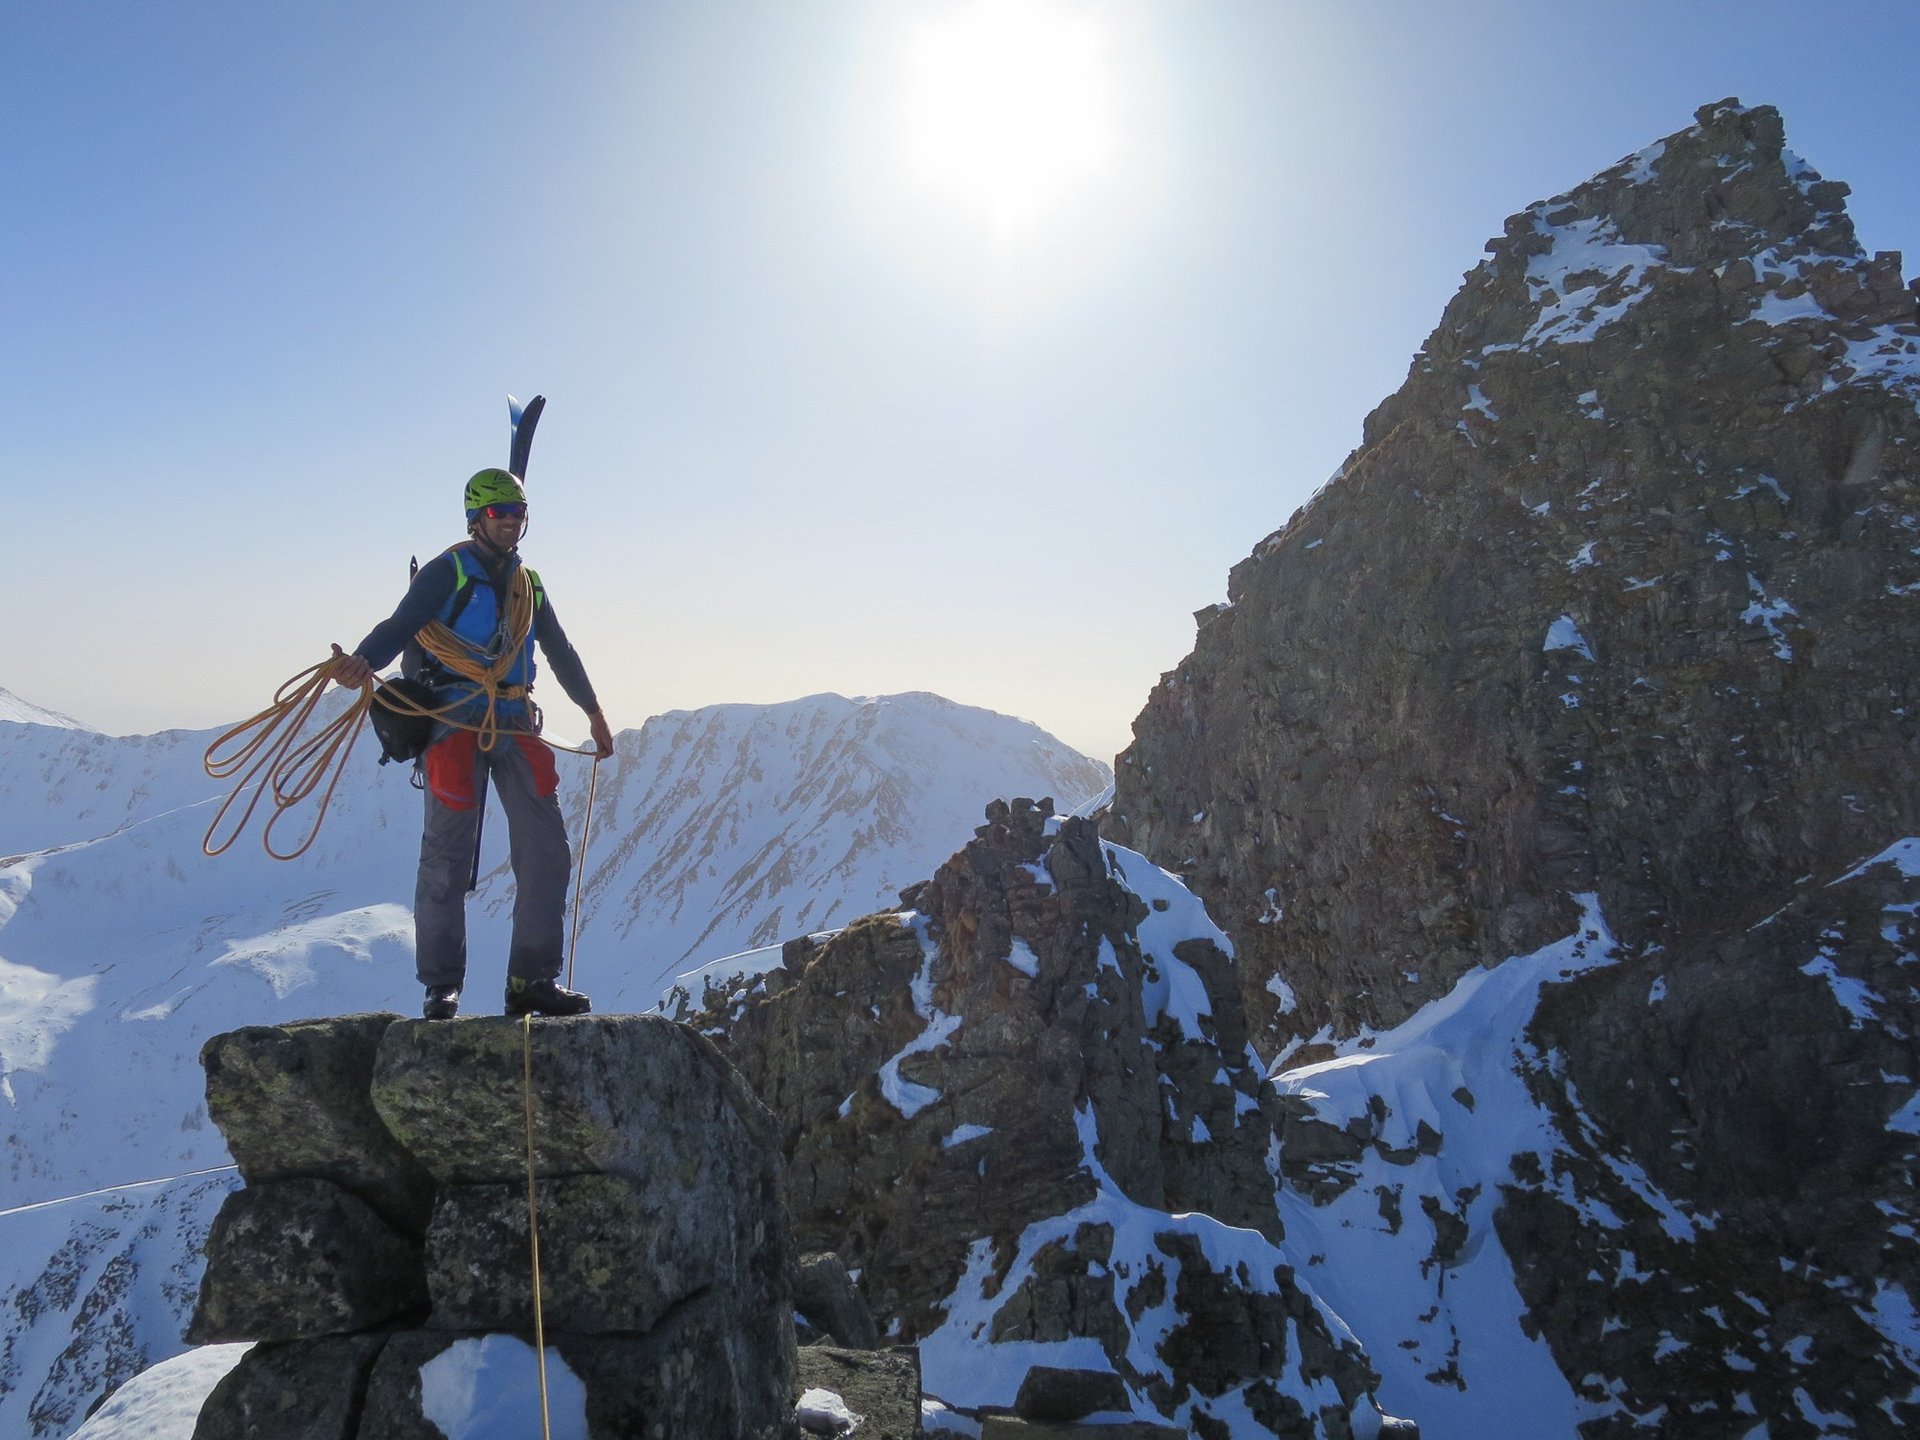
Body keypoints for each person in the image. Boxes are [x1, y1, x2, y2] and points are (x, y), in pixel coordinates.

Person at [330, 467, 615, 1020]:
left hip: (513, 717)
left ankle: (531, 980)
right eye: (497, 512)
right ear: (475, 518)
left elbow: (558, 648)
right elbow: (402, 623)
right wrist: (363, 660)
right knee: (447, 856)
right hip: (454, 719)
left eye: (517, 512)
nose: (509, 521)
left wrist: (593, 711)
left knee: (547, 850)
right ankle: (441, 985)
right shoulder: (448, 572)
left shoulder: (528, 584)